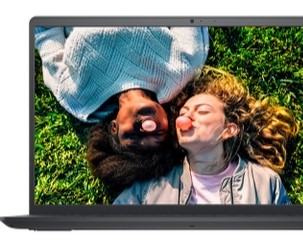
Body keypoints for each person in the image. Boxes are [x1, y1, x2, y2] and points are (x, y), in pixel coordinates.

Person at [35, 27, 209, 191]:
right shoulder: (182, 69)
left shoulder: (77, 96)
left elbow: (46, 33)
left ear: (114, 128)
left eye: (133, 136)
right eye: (157, 134)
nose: (146, 127)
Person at [114, 66, 299, 205]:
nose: (185, 118)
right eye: (183, 113)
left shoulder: (265, 183)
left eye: (202, 111)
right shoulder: (151, 187)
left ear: (229, 130)